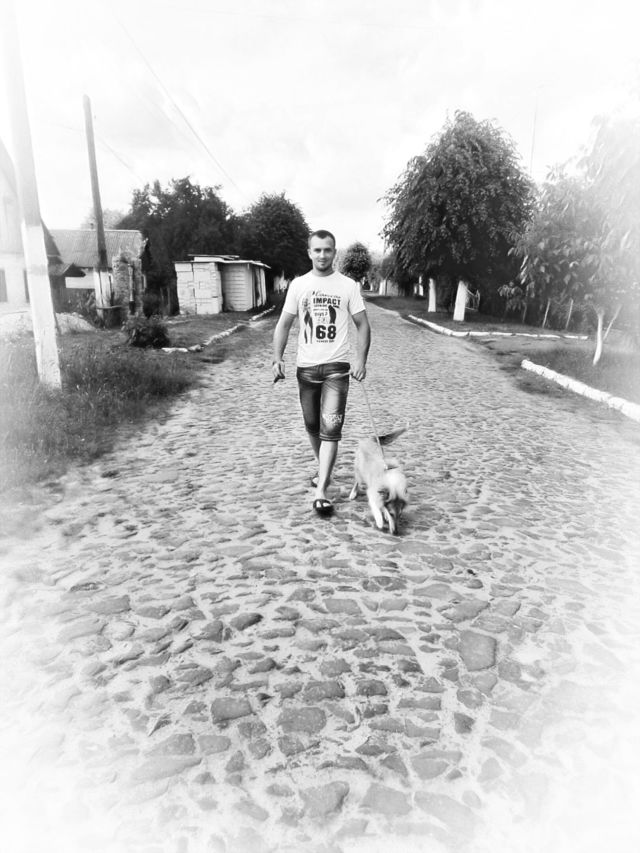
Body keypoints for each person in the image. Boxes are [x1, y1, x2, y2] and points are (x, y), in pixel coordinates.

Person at [272, 229, 371, 516]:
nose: (323, 255)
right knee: (312, 426)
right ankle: (323, 469)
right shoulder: (299, 285)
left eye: (328, 250)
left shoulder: (348, 286)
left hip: (336, 370)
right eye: (317, 250)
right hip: (306, 369)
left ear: (334, 252)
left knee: (331, 430)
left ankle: (321, 492)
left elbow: (363, 325)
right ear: (309, 252)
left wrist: (360, 360)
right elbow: (284, 324)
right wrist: (277, 358)